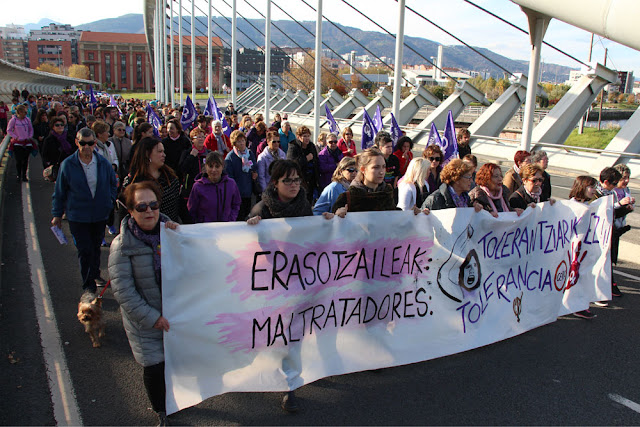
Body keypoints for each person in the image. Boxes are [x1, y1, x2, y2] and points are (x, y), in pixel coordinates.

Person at [247, 159, 341, 413]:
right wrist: (251, 228)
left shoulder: (303, 207)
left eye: (297, 179)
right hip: (271, 283)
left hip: (298, 281)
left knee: (293, 335)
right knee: (275, 333)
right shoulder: (262, 210)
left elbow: (311, 237)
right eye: (287, 180)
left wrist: (327, 222)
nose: (293, 184)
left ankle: (290, 387)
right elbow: (249, 248)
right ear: (275, 183)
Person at [108, 181, 178, 427]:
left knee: (172, 365)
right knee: (155, 367)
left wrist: (182, 237)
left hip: (173, 316)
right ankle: (161, 411)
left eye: (153, 204)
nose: (149, 211)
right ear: (130, 211)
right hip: (145, 322)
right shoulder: (122, 246)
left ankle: (172, 402)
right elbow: (123, 291)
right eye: (141, 206)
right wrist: (152, 318)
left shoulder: (173, 233)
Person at [51, 127, 118, 294]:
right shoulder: (68, 165)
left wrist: (109, 201)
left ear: (95, 143)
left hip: (98, 214)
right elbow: (60, 191)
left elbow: (112, 183)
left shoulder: (103, 163)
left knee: (95, 247)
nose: (87, 147)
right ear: (77, 142)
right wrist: (57, 214)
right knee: (84, 249)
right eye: (83, 143)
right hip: (78, 215)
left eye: (90, 143)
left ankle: (95, 273)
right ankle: (88, 285)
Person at [595, 166, 633, 299]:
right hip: (596, 234)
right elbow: (600, 210)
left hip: (609, 231)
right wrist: (618, 204)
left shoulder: (610, 193)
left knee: (607, 259)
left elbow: (612, 213)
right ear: (606, 182)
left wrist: (625, 209)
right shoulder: (596, 193)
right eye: (614, 183)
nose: (615, 186)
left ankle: (608, 286)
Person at [123, 138, 181, 222]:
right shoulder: (133, 181)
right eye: (159, 151)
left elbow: (178, 207)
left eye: (163, 151)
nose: (164, 155)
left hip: (169, 229)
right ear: (147, 154)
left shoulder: (171, 178)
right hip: (142, 231)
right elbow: (125, 211)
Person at [567, 175, 601, 318]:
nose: (594, 190)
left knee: (581, 277)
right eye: (591, 187)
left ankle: (577, 304)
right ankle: (573, 305)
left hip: (584, 250)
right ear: (582, 187)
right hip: (574, 249)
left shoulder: (589, 207)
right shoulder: (573, 206)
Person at [332, 148, 396, 213]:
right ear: (363, 169)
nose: (381, 172)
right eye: (376, 167)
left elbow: (392, 217)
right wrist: (338, 214)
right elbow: (334, 219)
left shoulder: (387, 193)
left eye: (384, 167)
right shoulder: (349, 197)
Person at [188, 152, 241, 223]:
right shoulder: (198, 186)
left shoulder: (231, 184)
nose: (214, 170)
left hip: (226, 227)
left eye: (217, 166)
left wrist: (231, 219)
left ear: (222, 167)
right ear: (205, 167)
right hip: (206, 228)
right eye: (210, 166)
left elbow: (236, 203)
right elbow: (192, 209)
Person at [225, 130, 258, 221]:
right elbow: (229, 176)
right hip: (237, 193)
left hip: (248, 191)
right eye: (239, 141)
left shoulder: (249, 154)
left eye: (243, 140)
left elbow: (254, 165)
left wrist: (254, 173)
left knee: (247, 215)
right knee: (239, 217)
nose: (242, 143)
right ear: (234, 143)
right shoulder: (230, 158)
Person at [287, 125, 320, 203]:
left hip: (311, 179)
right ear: (299, 137)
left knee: (309, 201)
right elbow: (291, 163)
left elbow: (316, 162)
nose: (307, 138)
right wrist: (305, 159)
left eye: (308, 136)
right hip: (299, 180)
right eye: (305, 136)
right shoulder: (293, 146)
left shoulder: (311, 146)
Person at [7, 104, 35, 182]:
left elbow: (31, 129)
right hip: (17, 143)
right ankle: (19, 175)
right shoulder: (14, 120)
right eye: (24, 112)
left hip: (26, 142)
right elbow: (9, 130)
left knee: (25, 160)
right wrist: (16, 137)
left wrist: (30, 136)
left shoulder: (27, 120)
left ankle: (24, 175)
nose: (25, 114)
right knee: (18, 160)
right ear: (19, 112)